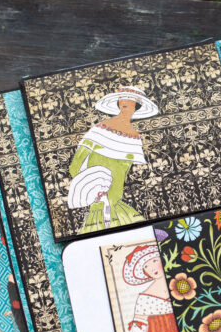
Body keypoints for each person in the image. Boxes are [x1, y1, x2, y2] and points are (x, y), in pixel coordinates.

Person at [67, 86, 158, 234]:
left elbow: (125, 171)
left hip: (116, 195)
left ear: (136, 109)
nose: (127, 110)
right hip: (96, 191)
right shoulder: (100, 129)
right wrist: (88, 184)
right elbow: (76, 164)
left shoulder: (134, 137)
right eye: (124, 106)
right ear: (119, 105)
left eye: (131, 107)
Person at [123, 244, 190, 332]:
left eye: (154, 260)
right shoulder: (144, 300)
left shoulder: (186, 282)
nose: (152, 268)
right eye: (146, 266)